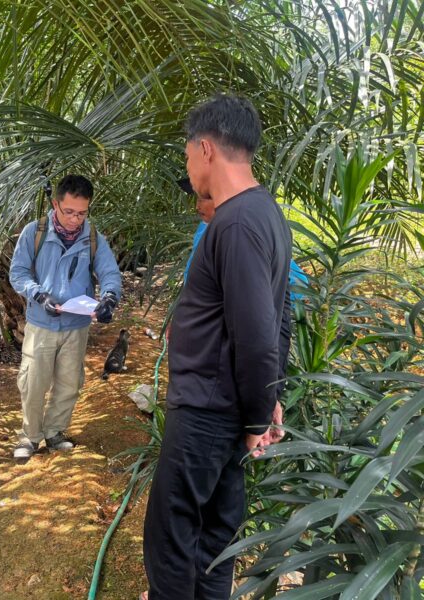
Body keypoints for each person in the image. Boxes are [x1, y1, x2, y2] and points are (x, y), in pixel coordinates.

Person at [142, 95, 292, 600]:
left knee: (172, 535)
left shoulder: (235, 222)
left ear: (206, 149)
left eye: (187, 155)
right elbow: (279, 318)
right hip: (230, 408)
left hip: (208, 411)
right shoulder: (265, 212)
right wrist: (266, 403)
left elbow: (255, 333)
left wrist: (257, 419)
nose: (190, 167)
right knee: (214, 534)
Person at [9, 174, 122, 459]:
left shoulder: (93, 237)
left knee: (70, 383)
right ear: (55, 204)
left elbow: (109, 272)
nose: (75, 219)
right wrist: (38, 294)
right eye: (69, 212)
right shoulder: (34, 232)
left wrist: (109, 298)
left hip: (77, 324)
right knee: (33, 382)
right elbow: (18, 273)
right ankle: (30, 437)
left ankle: (55, 432)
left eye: (82, 213)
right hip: (42, 323)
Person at [178, 177, 309, 298]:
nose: (197, 206)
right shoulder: (206, 226)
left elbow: (297, 282)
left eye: (205, 198)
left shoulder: (242, 231)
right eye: (197, 197)